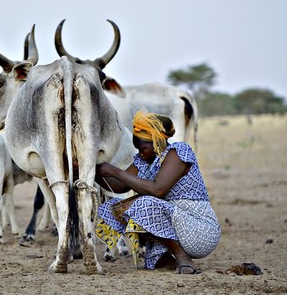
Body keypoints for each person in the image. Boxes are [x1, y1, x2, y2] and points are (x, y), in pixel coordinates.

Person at [94, 109, 221, 274]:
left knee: (143, 204)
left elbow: (158, 189)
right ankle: (165, 258)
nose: (139, 152)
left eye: (142, 148)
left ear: (156, 141)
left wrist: (114, 171)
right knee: (114, 209)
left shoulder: (178, 152)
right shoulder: (145, 160)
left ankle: (182, 256)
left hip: (198, 229)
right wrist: (90, 171)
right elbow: (120, 186)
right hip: (175, 223)